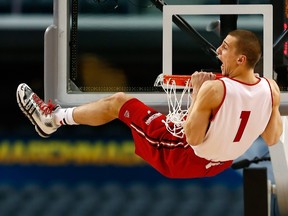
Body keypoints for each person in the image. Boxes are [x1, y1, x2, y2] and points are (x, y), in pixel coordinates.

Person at [16, 29, 283, 178]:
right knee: (127, 106)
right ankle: (54, 119)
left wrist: (198, 94)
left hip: (182, 155)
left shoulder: (214, 89)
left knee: (119, 103)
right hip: (219, 164)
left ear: (240, 59)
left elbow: (191, 136)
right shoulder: (270, 88)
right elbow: (272, 138)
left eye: (225, 47)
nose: (218, 51)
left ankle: (52, 119)